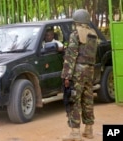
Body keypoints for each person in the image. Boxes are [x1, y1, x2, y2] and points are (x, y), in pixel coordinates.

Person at [61, 9, 98, 141]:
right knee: (88, 100)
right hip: (90, 71)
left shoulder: (75, 34)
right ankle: (89, 130)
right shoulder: (93, 34)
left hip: (78, 71)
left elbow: (70, 57)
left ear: (76, 21)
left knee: (74, 100)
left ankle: (75, 133)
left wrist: (66, 76)